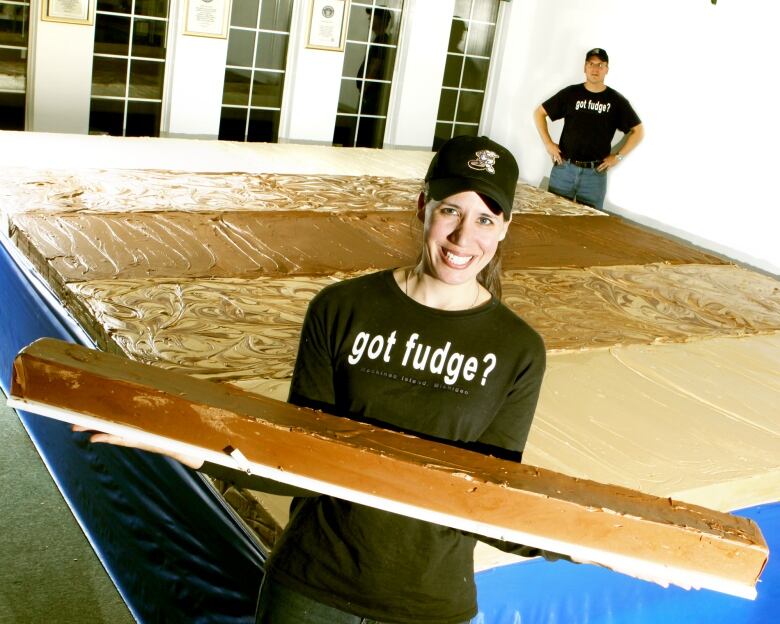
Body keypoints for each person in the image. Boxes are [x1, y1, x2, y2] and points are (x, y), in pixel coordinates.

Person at [77, 135, 551, 623]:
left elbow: (489, 500)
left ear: (504, 229)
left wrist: (606, 546)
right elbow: (296, 460)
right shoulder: (344, 308)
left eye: (485, 220)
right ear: (422, 205)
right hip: (313, 589)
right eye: (451, 211)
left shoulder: (517, 350)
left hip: (428, 606)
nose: (463, 237)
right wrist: (185, 444)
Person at [533, 48, 644, 209]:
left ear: (607, 69)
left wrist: (618, 157)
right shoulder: (571, 93)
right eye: (591, 64)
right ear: (585, 67)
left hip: (594, 175)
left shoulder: (616, 101)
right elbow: (539, 113)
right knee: (555, 217)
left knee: (588, 224)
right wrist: (548, 144)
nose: (595, 69)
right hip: (564, 168)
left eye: (600, 65)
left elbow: (638, 131)